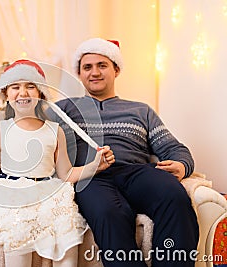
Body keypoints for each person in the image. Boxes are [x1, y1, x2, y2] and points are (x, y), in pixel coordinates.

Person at [50, 38, 199, 266]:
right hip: (91, 178)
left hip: (136, 173)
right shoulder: (64, 109)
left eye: (102, 65)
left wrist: (181, 164)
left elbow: (173, 147)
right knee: (108, 212)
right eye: (87, 67)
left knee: (174, 195)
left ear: (116, 70)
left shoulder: (140, 110)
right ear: (79, 74)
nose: (95, 72)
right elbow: (31, 136)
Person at [0, 59, 115, 267]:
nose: (23, 92)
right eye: (15, 87)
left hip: (49, 193)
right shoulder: (0, 129)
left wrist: (94, 166)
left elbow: (66, 174)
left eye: (31, 86)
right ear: (6, 94)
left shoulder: (54, 130)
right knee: (18, 242)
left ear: (41, 93)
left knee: (67, 240)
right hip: (12, 194)